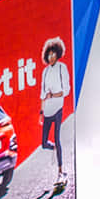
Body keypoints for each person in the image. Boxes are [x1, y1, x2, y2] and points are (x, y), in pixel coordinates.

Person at [38, 37, 71, 187]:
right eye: (49, 55)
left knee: (57, 137)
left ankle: (61, 172)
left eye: (53, 54)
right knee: (44, 143)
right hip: (47, 110)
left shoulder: (61, 68)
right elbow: (42, 93)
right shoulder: (45, 72)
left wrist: (54, 95)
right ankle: (55, 149)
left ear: (58, 54)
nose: (51, 57)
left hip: (58, 107)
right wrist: (41, 111)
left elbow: (66, 90)